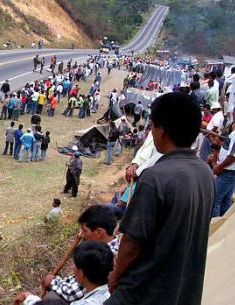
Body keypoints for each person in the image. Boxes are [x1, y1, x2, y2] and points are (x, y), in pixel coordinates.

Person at [106, 93, 215, 305]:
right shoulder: (206, 174)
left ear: (162, 131)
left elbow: (131, 242)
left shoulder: (155, 177)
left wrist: (116, 277)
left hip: (145, 291)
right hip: (183, 290)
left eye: (152, 126)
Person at [15, 241, 113, 305]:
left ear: (81, 273)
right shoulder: (113, 291)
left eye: (75, 266)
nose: (73, 269)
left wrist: (27, 297)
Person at [211, 121, 235, 217]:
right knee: (225, 199)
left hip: (227, 171)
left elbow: (233, 156)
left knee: (215, 199)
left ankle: (214, 226)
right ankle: (220, 225)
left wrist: (219, 167)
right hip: (229, 171)